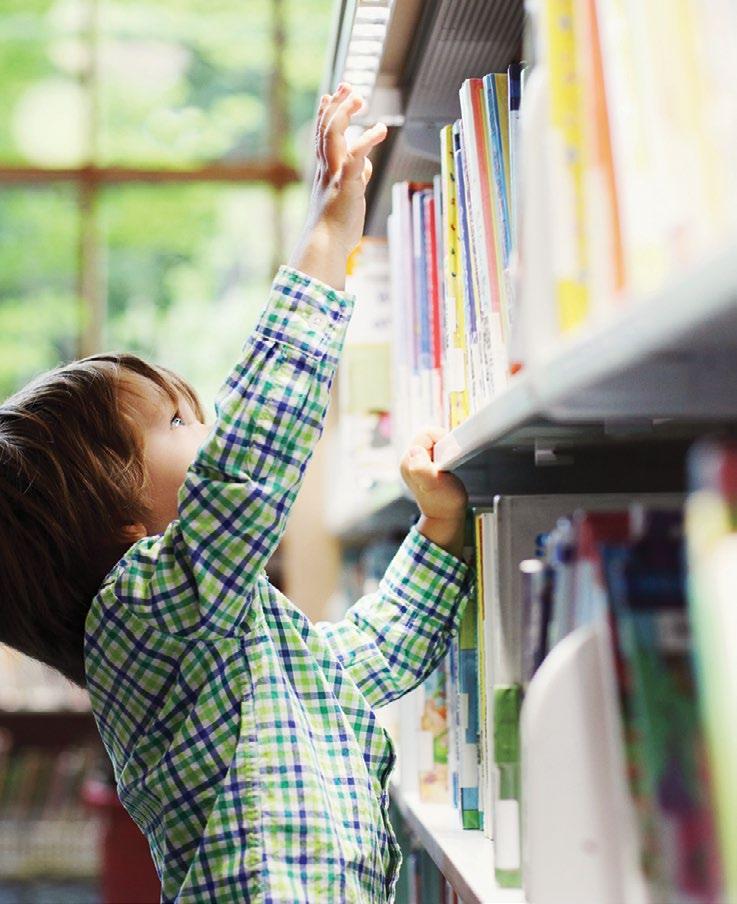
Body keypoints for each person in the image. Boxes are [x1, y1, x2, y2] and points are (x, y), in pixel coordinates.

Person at [0, 84, 473, 902]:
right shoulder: (139, 615)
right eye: (179, 420)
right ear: (121, 528)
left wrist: (434, 534)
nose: (209, 423)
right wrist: (326, 235)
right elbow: (248, 466)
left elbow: (362, 662)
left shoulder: (235, 640)